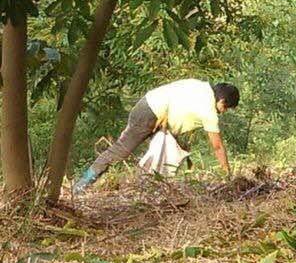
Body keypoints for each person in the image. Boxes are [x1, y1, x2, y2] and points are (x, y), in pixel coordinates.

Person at [73, 79, 240, 194]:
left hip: (148, 105)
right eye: (225, 108)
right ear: (222, 100)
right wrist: (227, 174)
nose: (223, 112)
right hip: (150, 112)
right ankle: (81, 185)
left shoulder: (200, 85)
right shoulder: (209, 109)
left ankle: (152, 187)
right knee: (120, 151)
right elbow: (217, 146)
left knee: (170, 153)